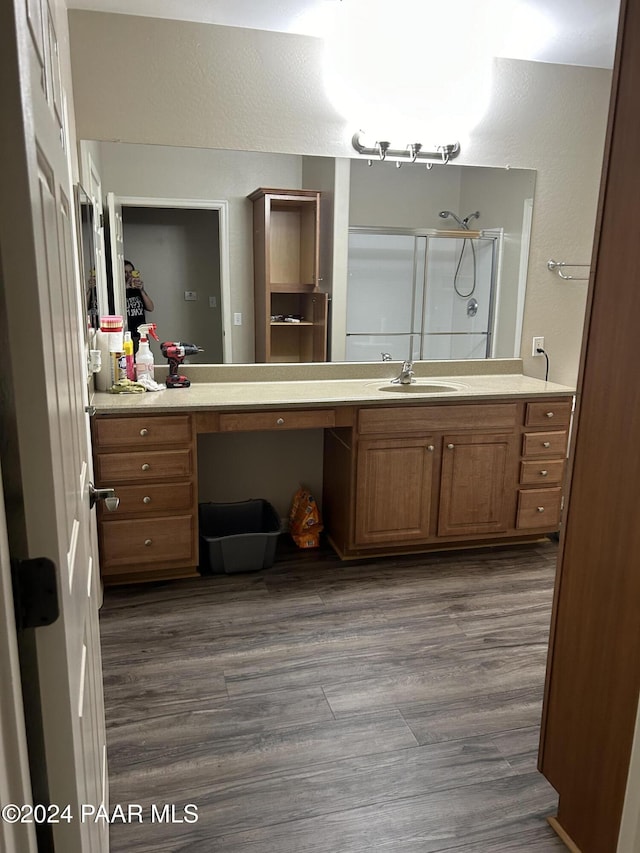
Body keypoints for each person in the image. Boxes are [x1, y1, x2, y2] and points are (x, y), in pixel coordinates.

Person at [124, 259, 154, 346]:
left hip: (140, 334)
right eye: (125, 272)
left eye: (131, 272)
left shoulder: (137, 289)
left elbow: (151, 307)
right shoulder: (117, 290)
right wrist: (126, 288)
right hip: (125, 334)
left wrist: (141, 290)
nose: (128, 275)